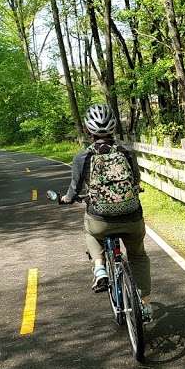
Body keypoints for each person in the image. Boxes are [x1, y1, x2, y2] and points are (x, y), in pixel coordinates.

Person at [61, 104, 153, 321]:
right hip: (131, 217)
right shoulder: (126, 152)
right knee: (138, 255)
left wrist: (68, 198)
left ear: (88, 130)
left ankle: (100, 268)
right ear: (113, 127)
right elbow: (136, 180)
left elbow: (74, 188)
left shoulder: (82, 157)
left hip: (100, 220)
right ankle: (146, 305)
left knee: (90, 232)